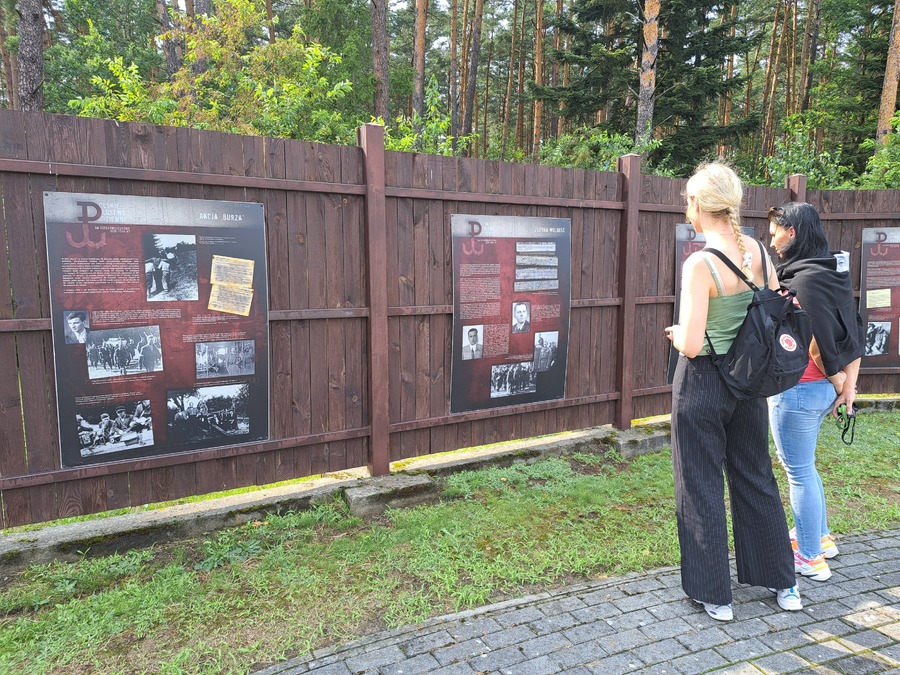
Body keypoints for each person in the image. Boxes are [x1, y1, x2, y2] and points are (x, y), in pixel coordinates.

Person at [664, 161, 800, 622]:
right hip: (748, 385)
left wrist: (674, 333)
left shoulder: (700, 263)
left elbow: (691, 340)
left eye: (689, 199)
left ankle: (715, 595)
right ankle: (783, 582)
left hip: (702, 383)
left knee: (699, 483)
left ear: (698, 205)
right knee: (756, 476)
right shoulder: (759, 252)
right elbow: (773, 313)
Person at [767, 202, 864, 582]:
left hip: (799, 391)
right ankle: (819, 539)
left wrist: (843, 383)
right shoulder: (831, 270)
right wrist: (848, 386)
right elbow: (853, 331)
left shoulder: (799, 281)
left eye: (775, 231)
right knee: (807, 468)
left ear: (792, 232)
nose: (771, 240)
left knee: (798, 473)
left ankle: (809, 558)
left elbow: (818, 340)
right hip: (823, 392)